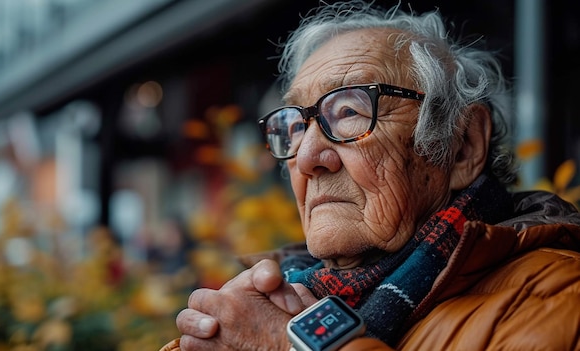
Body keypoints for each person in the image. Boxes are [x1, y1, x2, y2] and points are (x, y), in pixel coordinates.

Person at [161, 1, 580, 350]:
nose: (307, 156)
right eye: (294, 126)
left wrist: (284, 343)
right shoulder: (278, 290)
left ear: (463, 145)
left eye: (348, 112)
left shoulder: (560, 296)